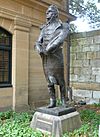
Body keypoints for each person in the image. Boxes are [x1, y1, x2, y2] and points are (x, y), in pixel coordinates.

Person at [35, 5, 69, 108]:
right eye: (46, 13)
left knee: (60, 81)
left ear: (54, 14)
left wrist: (50, 48)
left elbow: (60, 40)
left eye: (49, 12)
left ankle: (63, 100)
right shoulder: (44, 28)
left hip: (56, 58)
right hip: (46, 58)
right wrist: (38, 48)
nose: (47, 14)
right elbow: (38, 41)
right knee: (49, 82)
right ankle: (52, 101)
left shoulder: (63, 26)